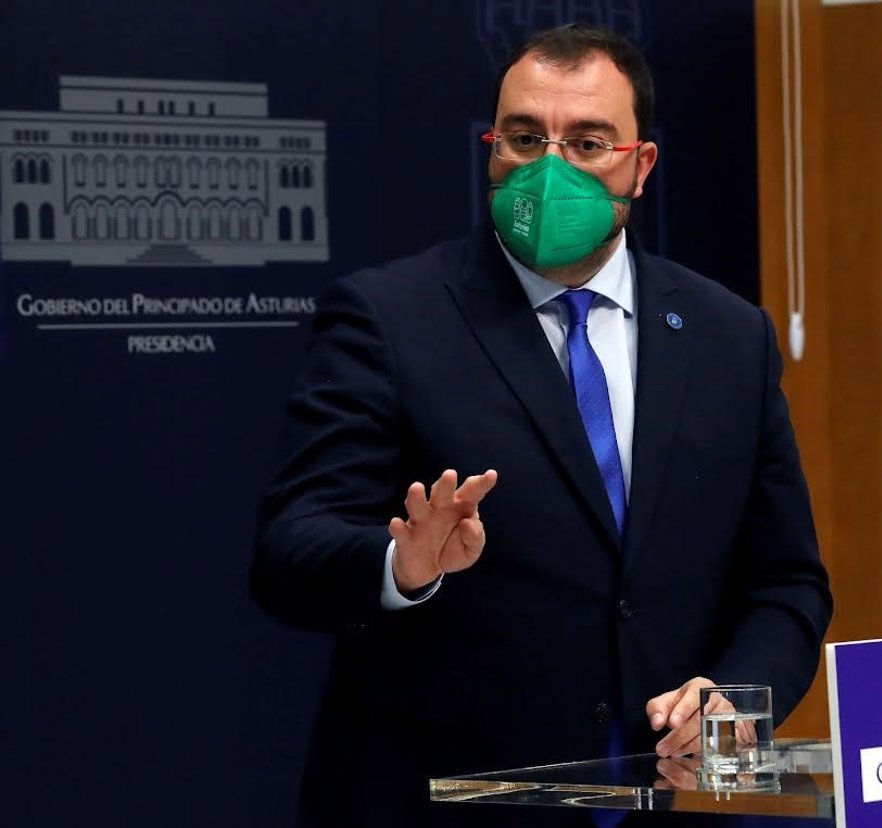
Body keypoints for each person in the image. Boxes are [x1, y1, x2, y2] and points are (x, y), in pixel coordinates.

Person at [252, 23, 832, 828]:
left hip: (666, 802)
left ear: (641, 165)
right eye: (525, 139)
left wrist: (732, 698)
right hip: (448, 804)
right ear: (493, 150)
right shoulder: (389, 319)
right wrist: (400, 566)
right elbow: (289, 552)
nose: (549, 171)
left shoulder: (729, 335)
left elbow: (787, 582)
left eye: (587, 144)